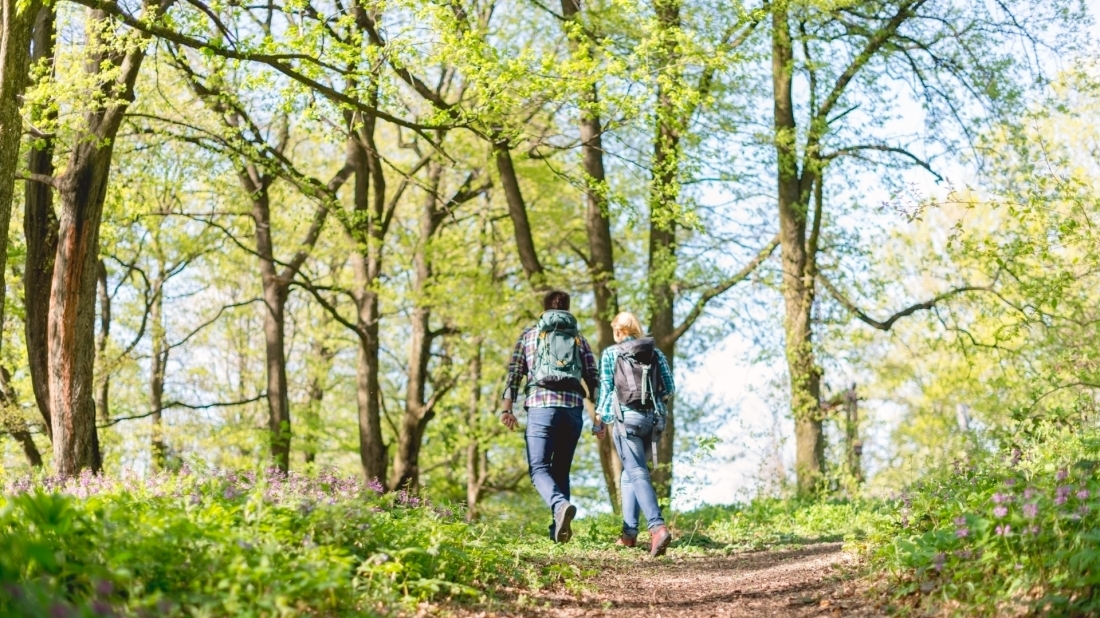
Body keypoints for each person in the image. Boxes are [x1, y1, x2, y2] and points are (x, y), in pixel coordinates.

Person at [501, 290, 601, 543]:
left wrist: (507, 409)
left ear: (544, 308)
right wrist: (598, 417)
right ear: (568, 309)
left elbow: (514, 373)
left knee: (539, 468)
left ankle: (559, 506)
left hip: (541, 408)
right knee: (561, 470)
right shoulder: (579, 339)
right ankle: (558, 533)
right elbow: (593, 377)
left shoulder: (530, 335)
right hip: (573, 410)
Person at [594, 311, 675, 557]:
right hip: (653, 422)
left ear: (618, 331)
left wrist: (599, 420)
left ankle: (657, 528)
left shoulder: (611, 353)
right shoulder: (656, 353)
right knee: (631, 473)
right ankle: (629, 534)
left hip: (626, 420)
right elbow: (669, 387)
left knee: (636, 471)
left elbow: (606, 389)